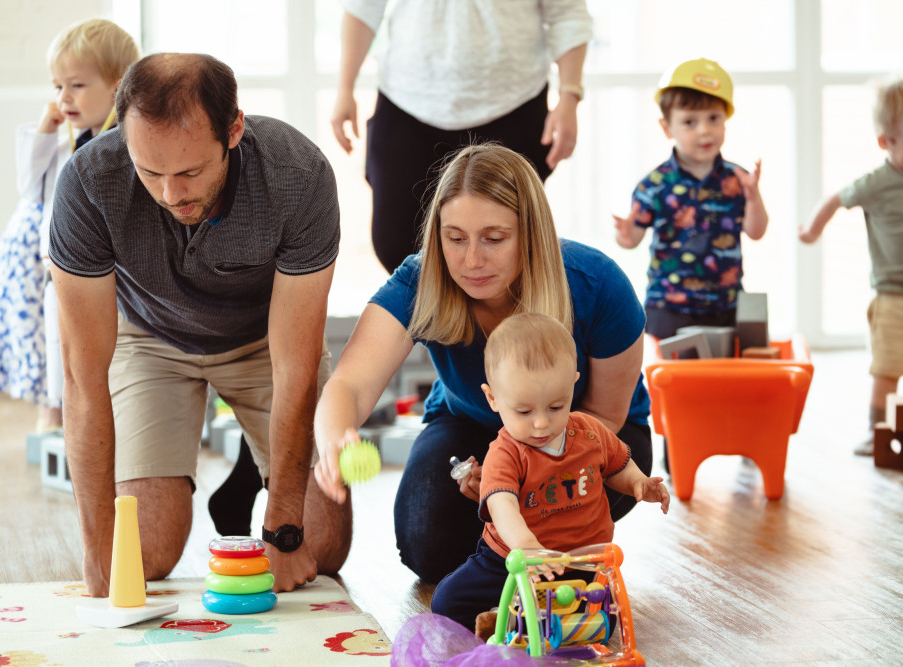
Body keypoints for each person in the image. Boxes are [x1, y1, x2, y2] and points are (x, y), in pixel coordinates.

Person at [48, 53, 351, 595]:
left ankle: (254, 492)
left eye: (189, 172)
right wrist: (98, 556)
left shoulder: (298, 177)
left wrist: (283, 532)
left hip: (263, 342)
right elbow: (82, 377)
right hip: (150, 340)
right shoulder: (88, 182)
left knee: (321, 547)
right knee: (141, 556)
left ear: (234, 128)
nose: (170, 194)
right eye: (150, 172)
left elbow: (296, 366)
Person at [314, 143, 653, 584]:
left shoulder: (598, 283)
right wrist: (334, 440)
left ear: (530, 233)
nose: (471, 260)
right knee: (426, 543)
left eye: (493, 239)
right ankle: (511, 553)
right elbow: (349, 385)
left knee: (553, 521)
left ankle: (528, 552)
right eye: (455, 238)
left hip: (590, 432)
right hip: (470, 424)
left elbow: (605, 415)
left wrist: (515, 478)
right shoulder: (419, 281)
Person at [430, 312, 669, 632]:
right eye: (524, 411)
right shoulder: (505, 452)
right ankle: (515, 614)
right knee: (446, 604)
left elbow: (618, 465)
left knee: (606, 620)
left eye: (556, 406)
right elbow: (502, 505)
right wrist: (526, 546)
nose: (541, 423)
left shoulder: (590, 432)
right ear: (493, 398)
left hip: (580, 562)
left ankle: (517, 620)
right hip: (510, 562)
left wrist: (639, 483)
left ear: (572, 382)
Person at [331, 0, 592, 273]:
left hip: (513, 105)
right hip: (407, 102)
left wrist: (569, 96)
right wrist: (344, 88)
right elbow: (362, 7)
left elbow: (567, 11)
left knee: (506, 248)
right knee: (397, 245)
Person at [0, 18, 139, 433]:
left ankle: (98, 417)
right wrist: (43, 135)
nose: (63, 97)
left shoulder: (126, 139)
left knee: (103, 348)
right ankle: (54, 413)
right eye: (57, 87)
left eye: (78, 85)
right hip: (56, 268)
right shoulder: (64, 138)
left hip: (108, 271)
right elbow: (30, 189)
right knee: (55, 344)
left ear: (118, 86)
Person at [613, 58, 769, 342]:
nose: (704, 131)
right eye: (689, 122)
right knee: (675, 379)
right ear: (666, 127)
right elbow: (631, 239)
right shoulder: (654, 184)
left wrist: (753, 197)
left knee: (722, 378)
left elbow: (756, 231)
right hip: (669, 306)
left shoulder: (738, 179)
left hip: (726, 304)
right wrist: (625, 232)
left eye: (713, 119)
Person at [799, 79, 903, 456]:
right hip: (893, 296)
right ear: (885, 142)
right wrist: (811, 230)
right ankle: (880, 435)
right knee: (887, 369)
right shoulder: (877, 182)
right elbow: (834, 200)